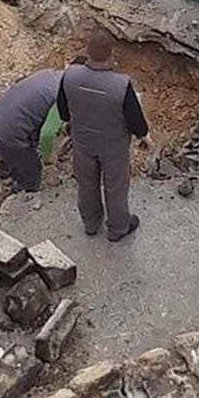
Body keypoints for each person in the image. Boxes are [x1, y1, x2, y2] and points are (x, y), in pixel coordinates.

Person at [58, 31, 149, 242]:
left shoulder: (70, 76)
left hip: (83, 144)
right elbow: (137, 124)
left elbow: (63, 112)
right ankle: (118, 228)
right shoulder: (121, 85)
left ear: (87, 52)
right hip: (113, 148)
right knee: (115, 187)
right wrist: (144, 136)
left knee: (86, 183)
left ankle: (91, 223)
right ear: (111, 55)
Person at [0, 69, 63, 193]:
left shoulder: (51, 74)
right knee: (32, 170)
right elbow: (47, 134)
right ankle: (23, 195)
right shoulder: (61, 96)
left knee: (20, 153)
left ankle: (9, 165)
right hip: (7, 135)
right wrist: (49, 159)